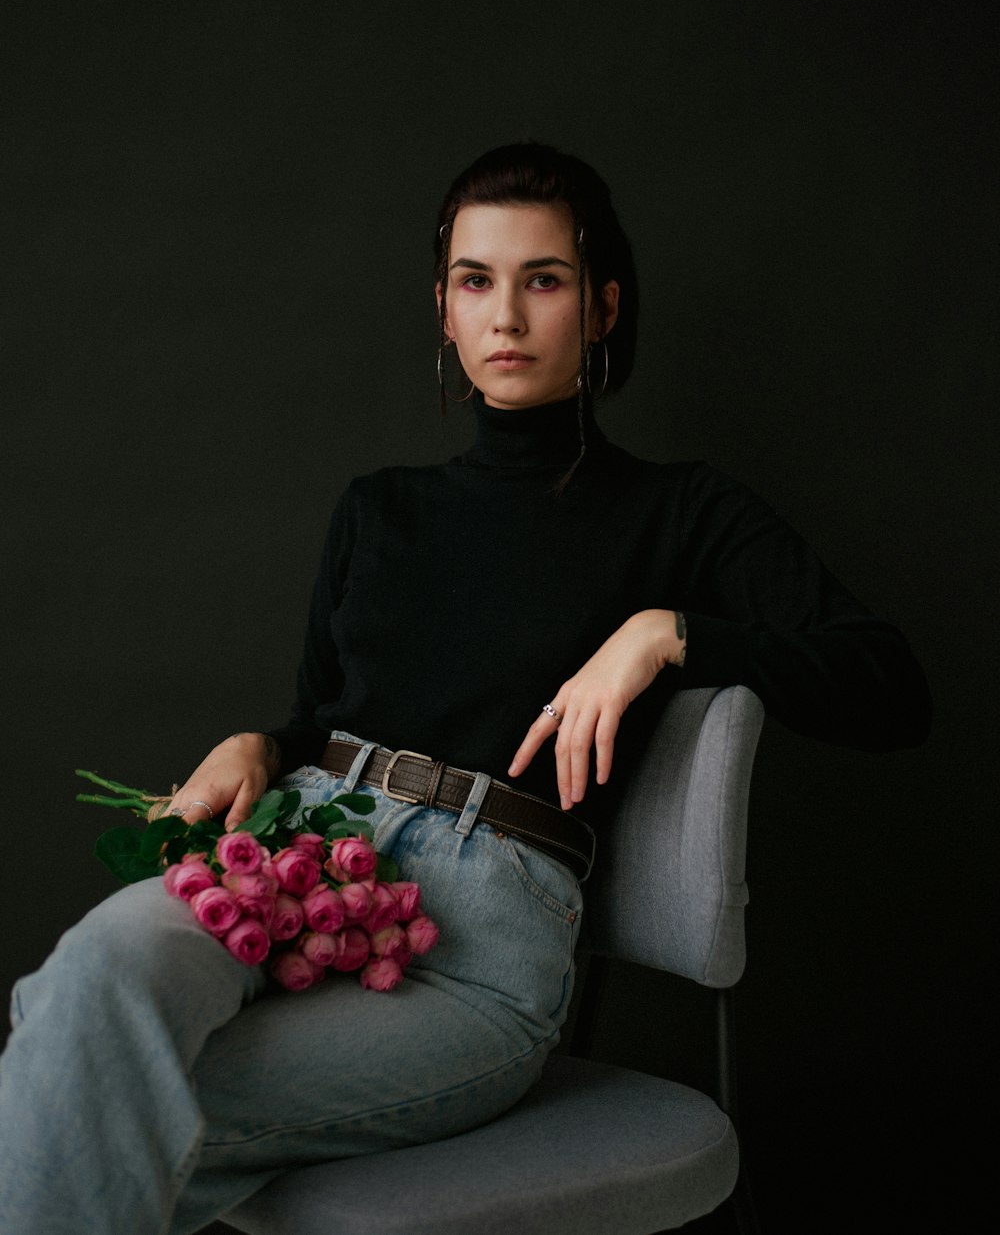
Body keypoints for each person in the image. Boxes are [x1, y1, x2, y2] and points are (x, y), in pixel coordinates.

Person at [0, 143, 931, 1234]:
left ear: (602, 305)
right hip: (304, 848)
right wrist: (260, 741)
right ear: (442, 307)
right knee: (80, 996)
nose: (508, 315)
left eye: (545, 279)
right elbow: (322, 715)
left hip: (482, 944)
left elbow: (891, 685)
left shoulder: (680, 512)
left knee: (75, 1081)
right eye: (475, 280)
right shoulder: (376, 511)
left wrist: (668, 630)